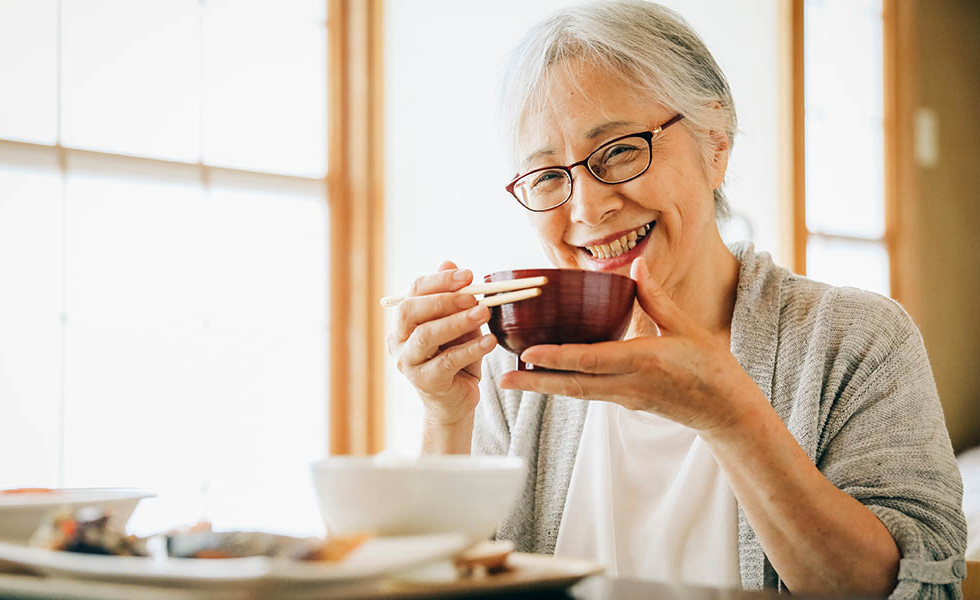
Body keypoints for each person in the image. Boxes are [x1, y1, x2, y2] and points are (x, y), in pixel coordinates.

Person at [385, 1, 967, 597]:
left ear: (715, 142)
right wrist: (445, 416)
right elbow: (440, 583)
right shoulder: (518, 365)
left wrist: (732, 418)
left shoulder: (856, 339)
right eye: (550, 176)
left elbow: (923, 590)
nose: (587, 209)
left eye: (618, 151)